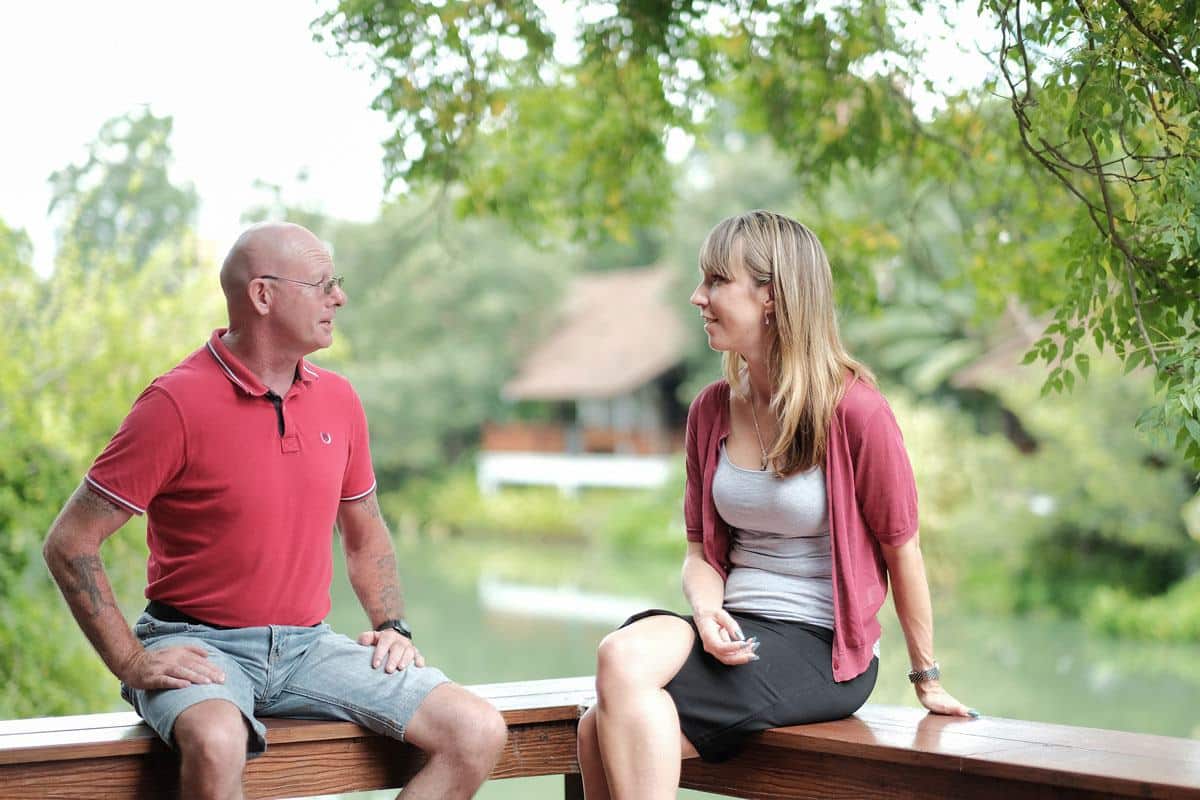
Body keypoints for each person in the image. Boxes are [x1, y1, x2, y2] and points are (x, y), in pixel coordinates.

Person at [42, 222, 507, 800]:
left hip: (309, 647)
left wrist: (392, 627)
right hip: (196, 643)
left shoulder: (340, 400)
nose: (339, 297)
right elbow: (70, 541)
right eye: (321, 284)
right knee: (217, 744)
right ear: (263, 295)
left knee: (477, 730)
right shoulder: (174, 403)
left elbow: (365, 533)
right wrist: (131, 662)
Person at [576, 210, 974, 799]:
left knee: (605, 715)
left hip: (821, 648)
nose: (698, 297)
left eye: (715, 280)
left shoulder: (855, 411)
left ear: (771, 295)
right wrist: (707, 613)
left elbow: (902, 547)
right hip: (735, 631)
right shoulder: (710, 411)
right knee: (604, 701)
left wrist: (927, 678)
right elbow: (699, 553)